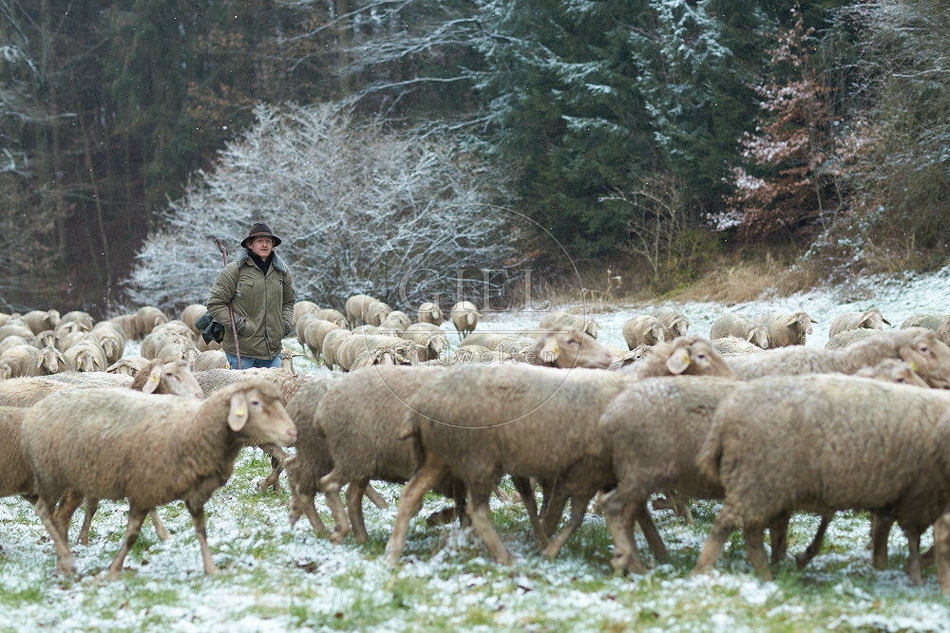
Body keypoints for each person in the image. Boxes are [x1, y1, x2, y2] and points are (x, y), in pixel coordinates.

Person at [207, 222, 296, 369]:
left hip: (272, 352)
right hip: (242, 352)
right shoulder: (235, 270)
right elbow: (215, 303)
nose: (264, 245)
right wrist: (239, 324)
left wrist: (284, 324)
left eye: (268, 241)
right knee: (245, 392)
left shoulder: (282, 271)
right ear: (250, 244)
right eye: (259, 241)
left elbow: (289, 301)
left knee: (272, 392)